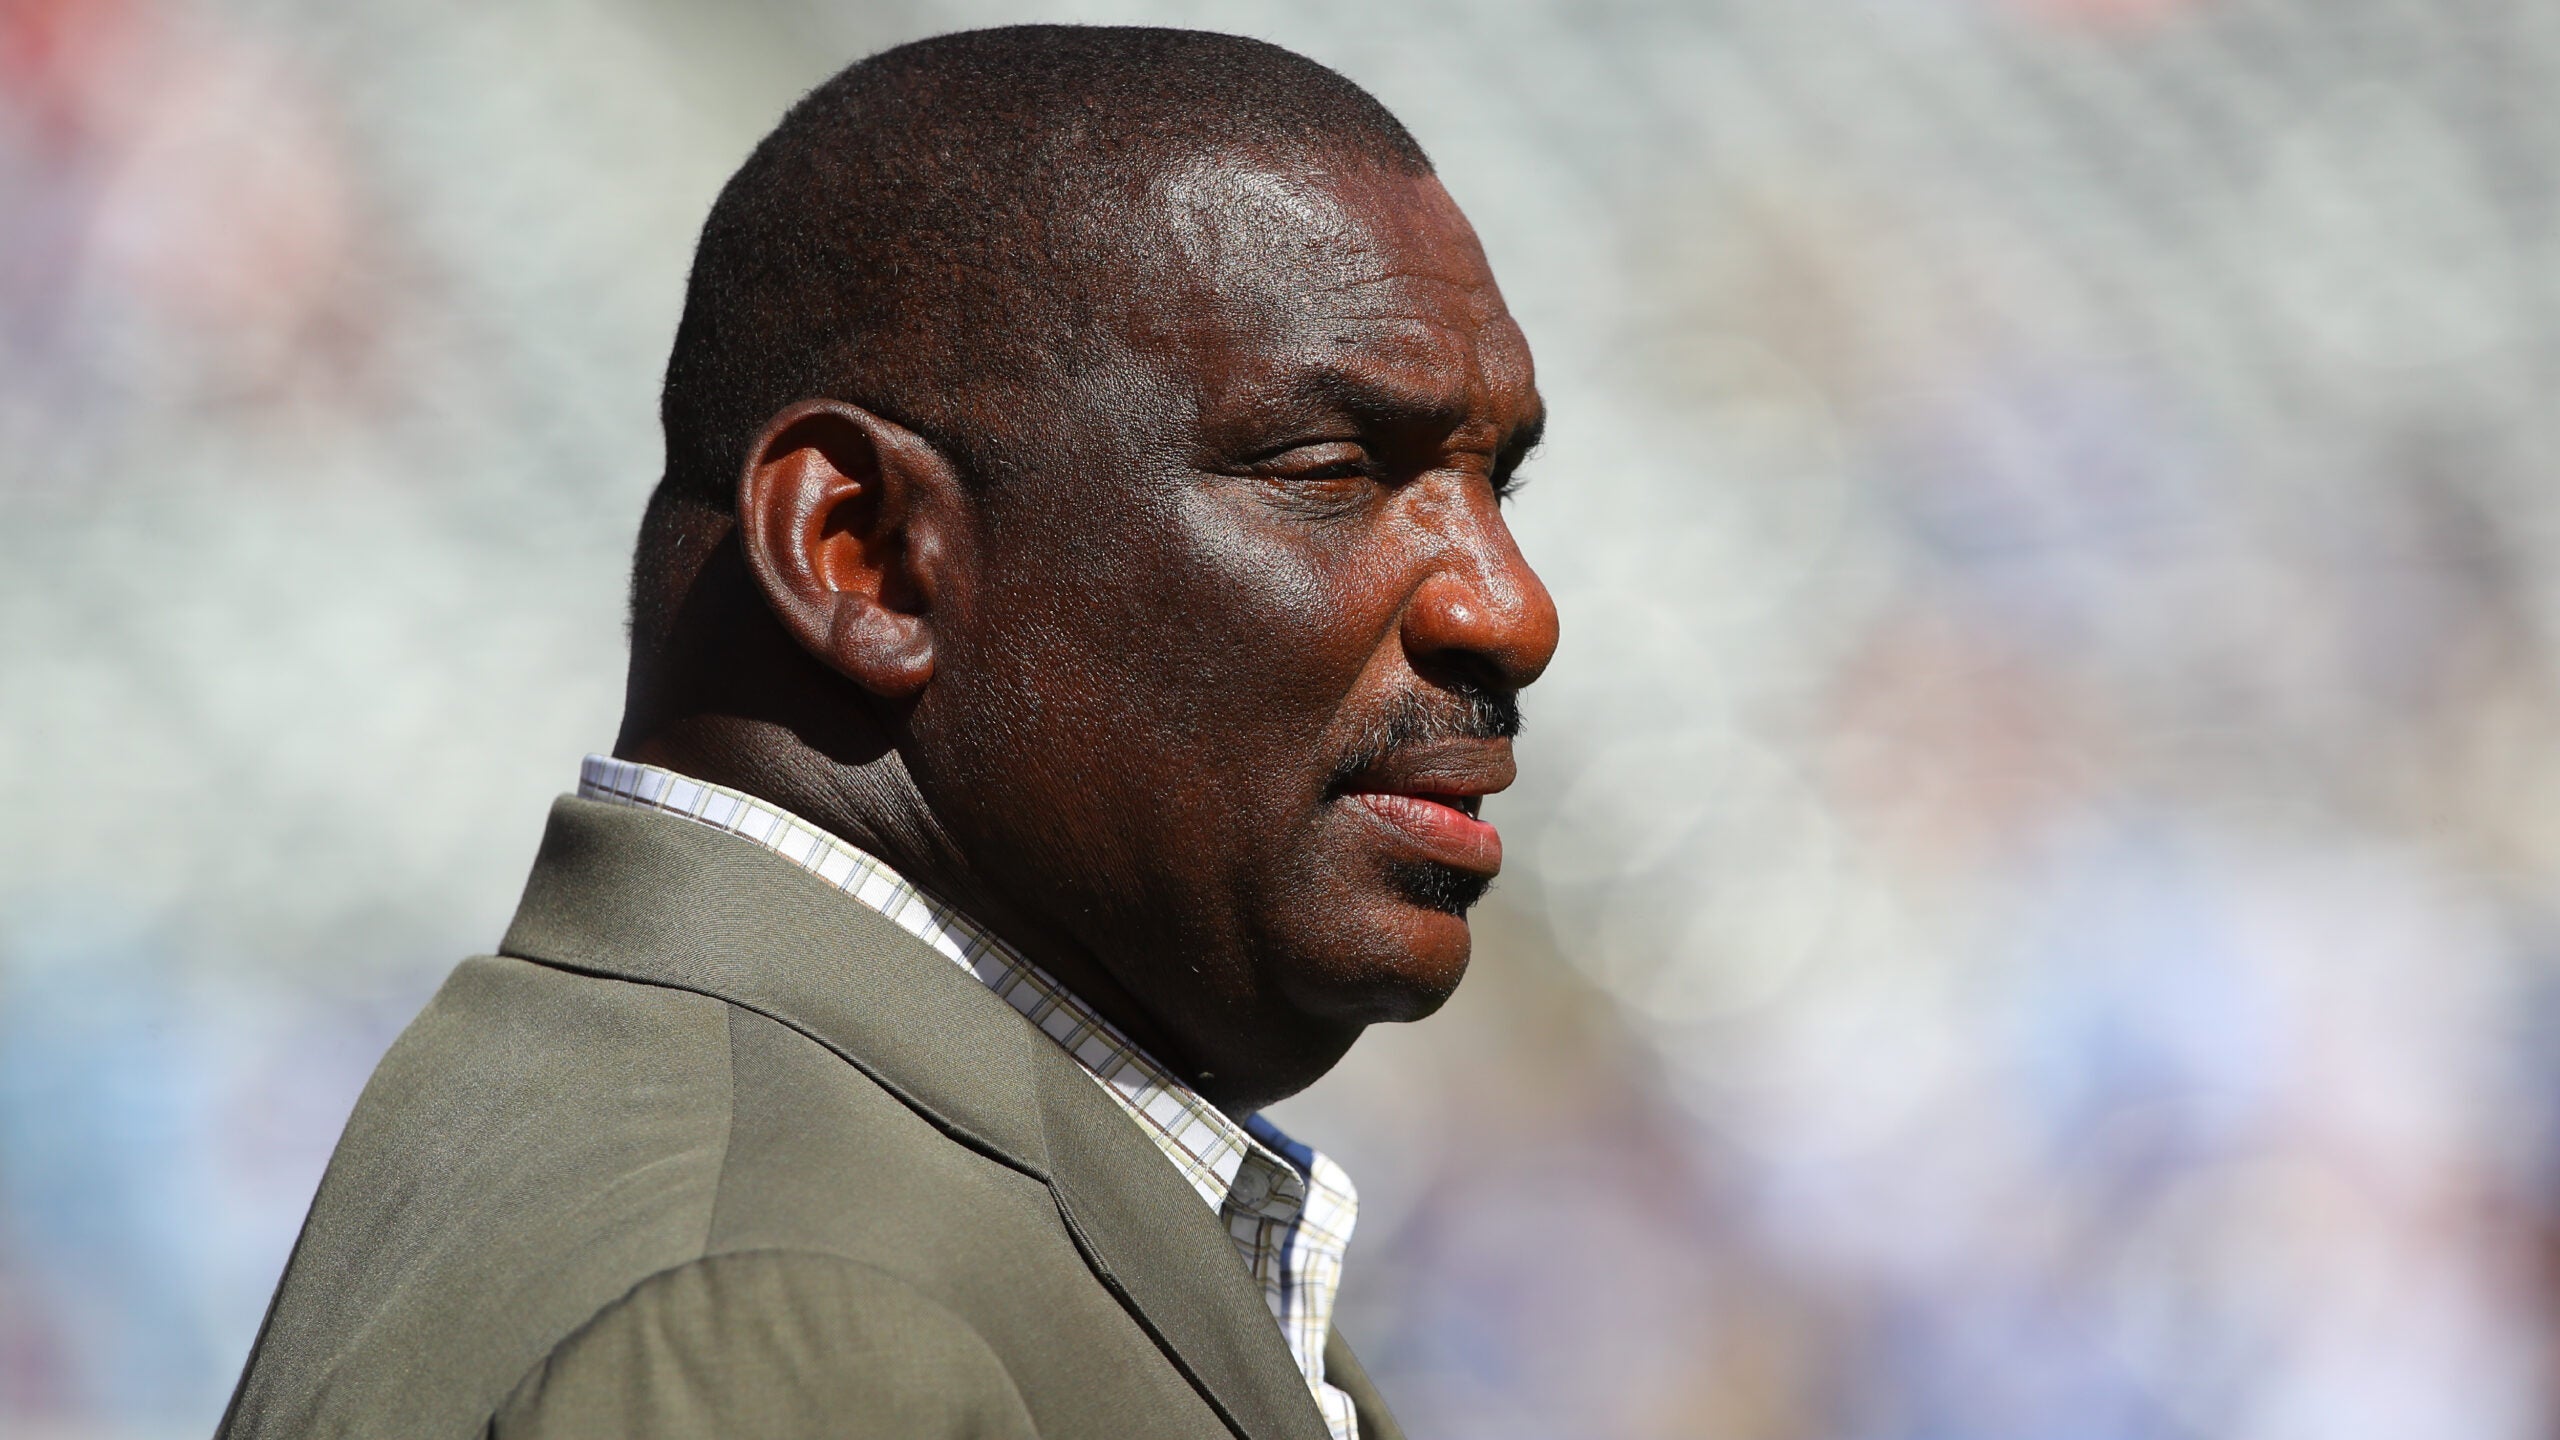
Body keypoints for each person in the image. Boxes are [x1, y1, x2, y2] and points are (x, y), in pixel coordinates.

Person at [219, 24, 1557, 1440]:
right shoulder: (781, 1317)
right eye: (1331, 468)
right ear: (862, 554)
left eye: (1497, 488)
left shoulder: (852, 1201)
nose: (1510, 611)